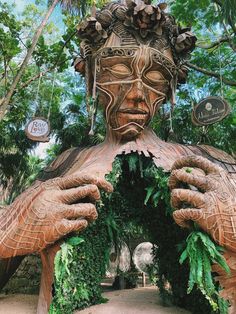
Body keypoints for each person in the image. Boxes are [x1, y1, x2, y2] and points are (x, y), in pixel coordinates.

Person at [0, 0, 236, 312]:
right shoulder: (66, 163)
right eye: (119, 70)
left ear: (169, 90)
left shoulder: (209, 162)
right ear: (91, 79)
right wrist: (12, 229)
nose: (137, 93)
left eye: (154, 77)